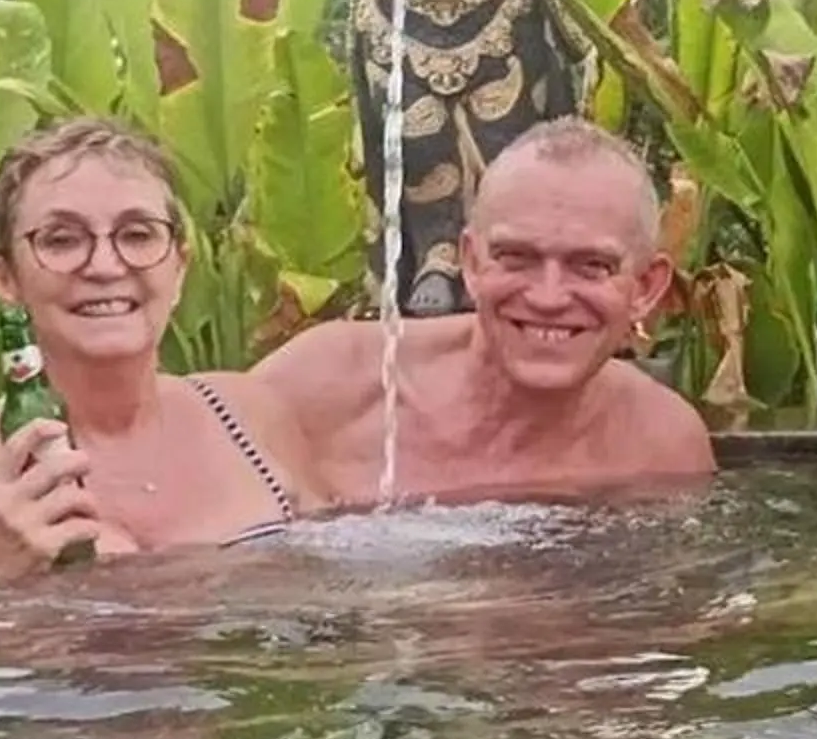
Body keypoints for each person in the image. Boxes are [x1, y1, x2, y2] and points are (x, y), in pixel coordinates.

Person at [0, 118, 317, 578]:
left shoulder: (250, 418)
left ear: (180, 266)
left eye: (137, 234)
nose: (105, 265)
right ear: (4, 279)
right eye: (62, 239)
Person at [244, 118, 715, 505]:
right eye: (517, 257)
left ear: (647, 286)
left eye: (591, 266)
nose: (548, 297)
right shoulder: (330, 386)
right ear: (470, 261)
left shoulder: (662, 444)